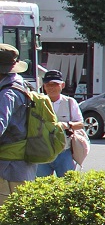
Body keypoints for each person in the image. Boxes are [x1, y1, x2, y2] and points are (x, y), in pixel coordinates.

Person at [0, 45, 34, 200]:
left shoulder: (7, 94)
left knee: (7, 210)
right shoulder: (22, 84)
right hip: (22, 164)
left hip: (8, 168)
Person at [35, 70, 83, 178]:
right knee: (41, 184)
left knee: (68, 183)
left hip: (64, 151)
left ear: (62, 85)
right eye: (48, 84)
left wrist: (67, 125)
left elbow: (80, 124)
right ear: (44, 86)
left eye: (55, 84)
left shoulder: (70, 102)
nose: (51, 88)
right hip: (42, 151)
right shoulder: (38, 102)